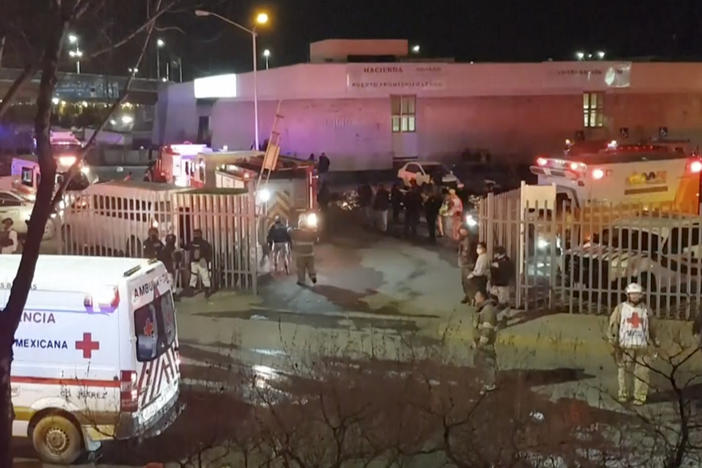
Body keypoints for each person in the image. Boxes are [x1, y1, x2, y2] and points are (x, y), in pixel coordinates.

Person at [608, 283, 659, 405]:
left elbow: (652, 327)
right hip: (625, 345)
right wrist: (613, 339)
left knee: (642, 372)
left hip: (642, 345)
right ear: (628, 295)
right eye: (632, 294)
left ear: (641, 295)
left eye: (637, 294)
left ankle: (640, 397)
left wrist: (655, 339)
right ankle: (623, 394)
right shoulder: (620, 308)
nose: (634, 296)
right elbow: (613, 324)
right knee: (623, 371)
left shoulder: (646, 310)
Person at [473, 288, 498, 394]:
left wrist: (481, 343)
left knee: (488, 362)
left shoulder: (487, 310)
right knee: (484, 361)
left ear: (482, 297)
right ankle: (488, 382)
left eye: (476, 296)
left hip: (485, 343)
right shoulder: (485, 309)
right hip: (483, 342)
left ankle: (490, 384)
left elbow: (487, 330)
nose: (475, 299)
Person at [291, 217, 317, 286]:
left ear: (300, 224)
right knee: (311, 266)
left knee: (300, 268)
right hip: (310, 254)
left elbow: (290, 232)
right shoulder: (311, 232)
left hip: (300, 255)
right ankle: (313, 276)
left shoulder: (296, 232)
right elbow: (316, 239)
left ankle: (301, 280)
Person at [186, 228, 212, 297]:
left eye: (196, 233)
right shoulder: (204, 243)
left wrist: (206, 259)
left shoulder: (194, 243)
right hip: (198, 261)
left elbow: (187, 248)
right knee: (200, 276)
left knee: (200, 276)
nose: (196, 235)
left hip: (199, 261)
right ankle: (206, 291)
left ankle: (205, 291)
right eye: (195, 233)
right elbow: (209, 251)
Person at [457, 227, 476, 303]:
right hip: (464, 263)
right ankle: (467, 296)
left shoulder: (470, 240)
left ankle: (471, 297)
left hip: (469, 263)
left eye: (463, 231)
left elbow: (468, 252)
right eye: (461, 231)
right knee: (464, 281)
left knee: (469, 282)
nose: (462, 232)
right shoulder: (463, 239)